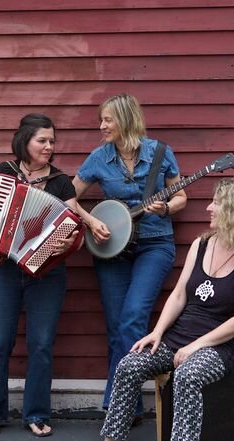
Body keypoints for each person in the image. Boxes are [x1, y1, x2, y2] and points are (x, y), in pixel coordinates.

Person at [75, 178, 234, 441]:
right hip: (177, 337)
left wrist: (197, 346)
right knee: (129, 365)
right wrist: (157, 332)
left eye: (217, 203)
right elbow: (179, 294)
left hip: (219, 347)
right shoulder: (202, 244)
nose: (209, 207)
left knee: (188, 375)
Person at [0, 113, 80, 438]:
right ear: (25, 140)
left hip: (46, 272)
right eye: (42, 140)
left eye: (52, 141)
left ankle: (37, 414)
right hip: (1, 268)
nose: (49, 146)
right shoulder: (3, 173)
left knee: (41, 344)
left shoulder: (60, 181)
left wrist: (68, 239)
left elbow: (72, 224)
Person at [72, 93, 187, 422]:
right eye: (101, 120)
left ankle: (116, 404)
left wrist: (166, 206)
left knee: (132, 317)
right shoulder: (98, 157)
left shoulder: (161, 153)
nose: (102, 126)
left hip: (155, 244)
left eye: (108, 119)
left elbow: (180, 196)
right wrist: (91, 221)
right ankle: (131, 406)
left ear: (126, 119)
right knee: (115, 328)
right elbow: (69, 196)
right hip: (113, 249)